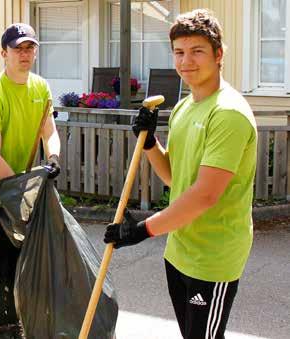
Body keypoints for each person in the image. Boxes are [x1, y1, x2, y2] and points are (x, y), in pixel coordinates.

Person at [104, 9, 257, 339]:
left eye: (197, 51)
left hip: (213, 256)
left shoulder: (228, 113)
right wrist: (149, 144)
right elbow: (176, 177)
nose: (186, 61)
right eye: (179, 52)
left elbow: (205, 194)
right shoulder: (186, 107)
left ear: (218, 55)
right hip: (180, 249)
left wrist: (142, 230)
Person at [0, 23, 61, 339]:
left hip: (20, 186)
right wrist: (22, 189)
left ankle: (19, 316)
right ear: (3, 53)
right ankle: (3, 326)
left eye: (29, 48)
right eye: (18, 48)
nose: (24, 54)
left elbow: (50, 132)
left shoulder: (40, 88)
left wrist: (53, 160)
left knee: (20, 257)